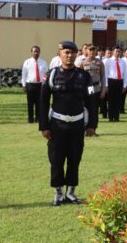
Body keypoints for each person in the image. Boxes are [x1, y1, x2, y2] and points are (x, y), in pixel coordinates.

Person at [39, 41, 97, 206]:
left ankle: (71, 192)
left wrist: (92, 124)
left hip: (77, 125)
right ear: (60, 54)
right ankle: (58, 193)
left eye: (72, 53)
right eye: (66, 52)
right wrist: (44, 126)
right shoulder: (51, 75)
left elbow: (91, 99)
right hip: (57, 125)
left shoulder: (86, 77)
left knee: (74, 159)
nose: (69, 56)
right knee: (56, 159)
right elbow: (43, 101)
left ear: (77, 54)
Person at [79, 45, 106, 132]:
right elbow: (79, 77)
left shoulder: (100, 62)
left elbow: (103, 77)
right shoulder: (82, 62)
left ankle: (93, 128)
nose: (92, 52)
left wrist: (103, 90)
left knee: (94, 109)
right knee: (86, 108)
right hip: (87, 88)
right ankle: (85, 128)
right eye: (90, 50)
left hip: (96, 87)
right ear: (86, 51)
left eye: (94, 50)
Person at [21, 46, 47, 124]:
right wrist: (24, 85)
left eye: (38, 51)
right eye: (34, 51)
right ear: (31, 52)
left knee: (39, 103)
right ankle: (30, 119)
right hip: (30, 85)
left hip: (40, 85)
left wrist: (45, 85)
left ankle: (38, 118)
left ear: (40, 52)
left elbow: (46, 74)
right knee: (30, 103)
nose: (36, 53)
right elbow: (24, 74)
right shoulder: (27, 62)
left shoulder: (43, 62)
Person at [103, 46, 127, 122]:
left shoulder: (123, 61)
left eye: (119, 51)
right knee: (111, 100)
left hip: (120, 81)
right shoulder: (108, 61)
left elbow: (125, 74)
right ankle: (110, 117)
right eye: (116, 51)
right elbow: (105, 73)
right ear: (113, 52)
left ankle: (116, 117)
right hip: (111, 81)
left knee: (118, 100)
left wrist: (124, 85)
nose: (117, 53)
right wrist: (106, 85)